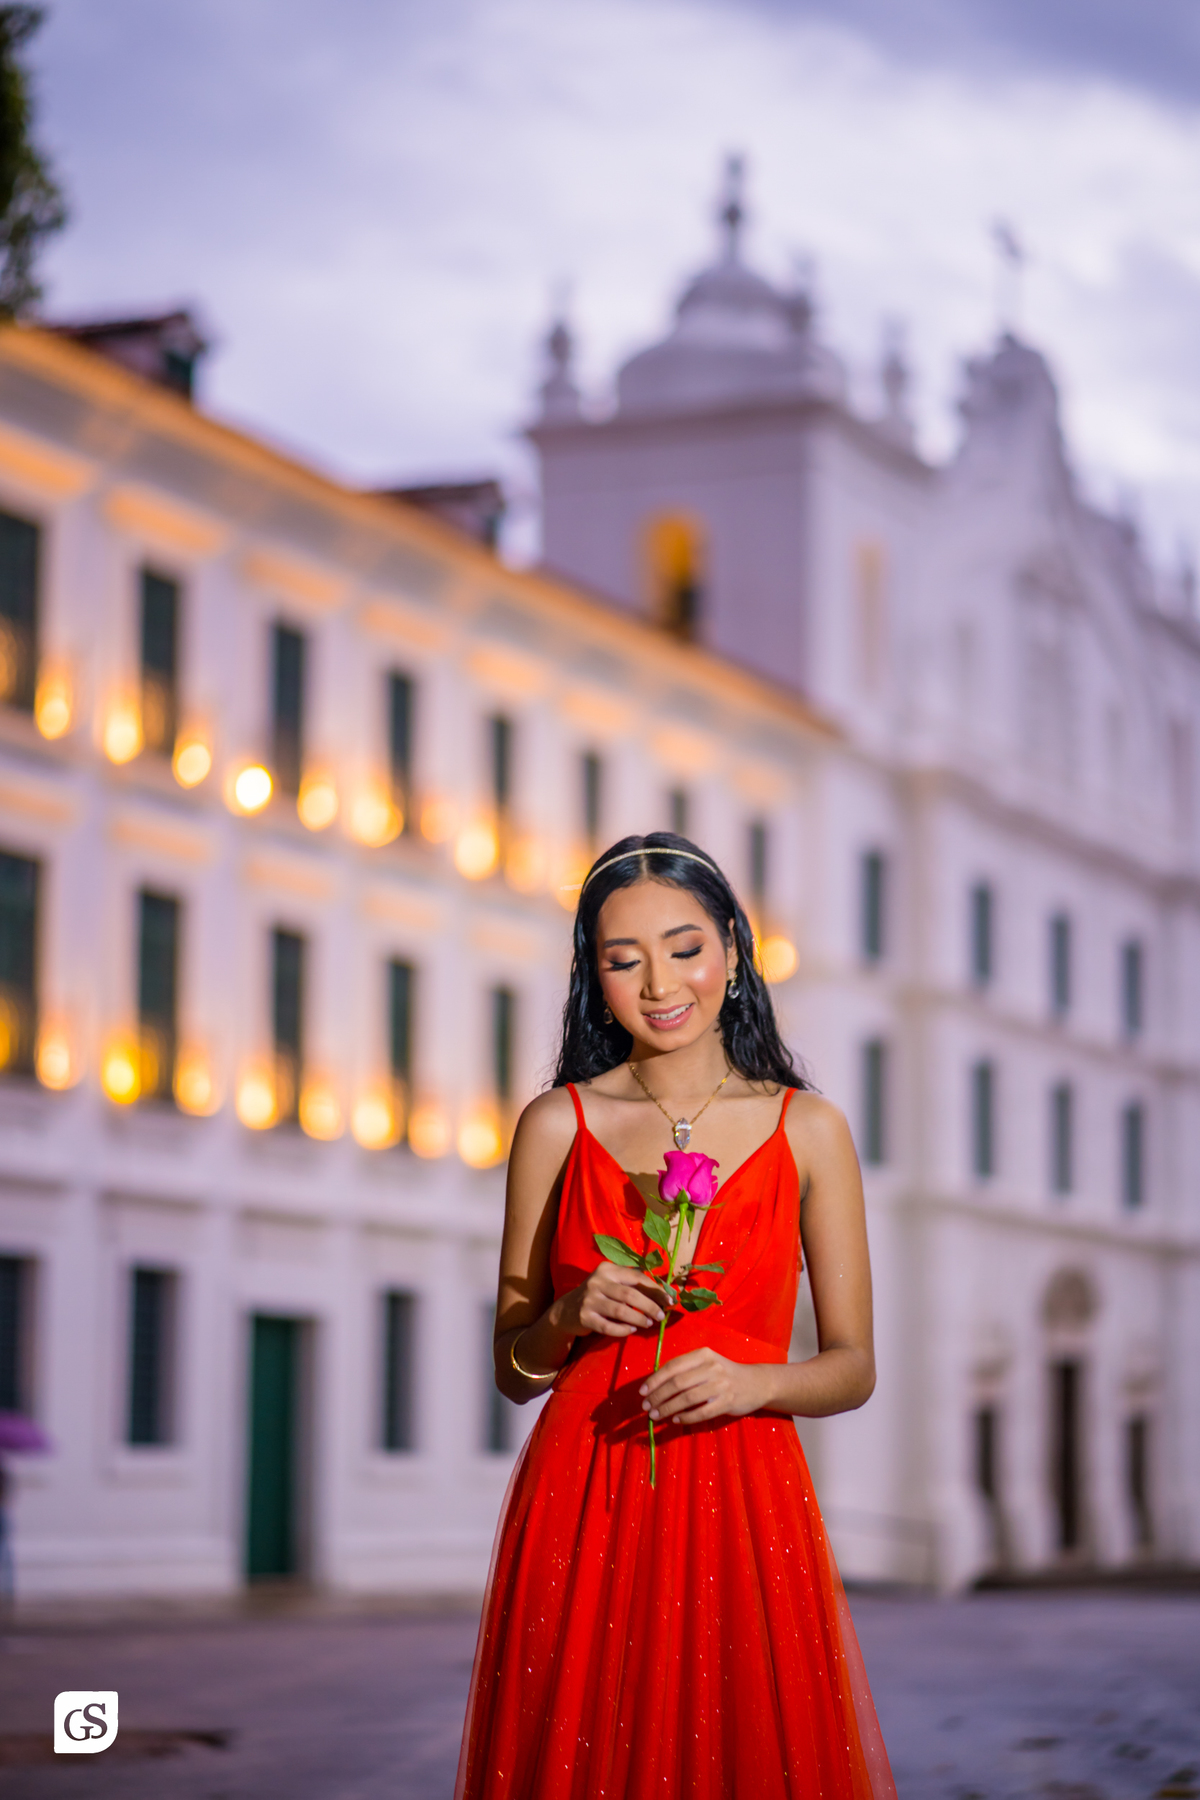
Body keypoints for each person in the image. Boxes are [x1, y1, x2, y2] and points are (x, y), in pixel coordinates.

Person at [455, 832, 897, 1799]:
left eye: (684, 947)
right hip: (587, 1491)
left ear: (735, 954)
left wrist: (757, 1382)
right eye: (623, 959)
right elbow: (513, 1366)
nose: (659, 982)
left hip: (746, 1499)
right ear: (595, 977)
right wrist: (568, 1315)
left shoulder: (809, 1128)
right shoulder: (554, 1125)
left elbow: (854, 1365)